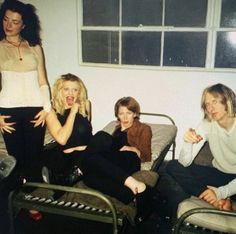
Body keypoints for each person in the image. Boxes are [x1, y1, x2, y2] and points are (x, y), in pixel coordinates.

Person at [42, 78, 153, 206]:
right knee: (90, 178)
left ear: (135, 114)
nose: (125, 117)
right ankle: (130, 196)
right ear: (117, 115)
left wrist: (134, 150)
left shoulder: (143, 128)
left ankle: (72, 175)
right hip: (107, 156)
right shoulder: (116, 128)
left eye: (129, 113)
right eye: (121, 113)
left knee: (101, 138)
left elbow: (146, 155)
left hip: (127, 158)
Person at [0, 0, 51, 183]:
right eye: (5, 19)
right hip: (8, 110)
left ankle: (33, 201)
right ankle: (15, 202)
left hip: (35, 109)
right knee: (15, 160)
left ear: (24, 24)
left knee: (34, 157)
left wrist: (46, 109)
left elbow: (43, 80)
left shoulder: (35, 47)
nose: (9, 25)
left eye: (14, 22)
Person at [165, 83, 236, 215]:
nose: (210, 108)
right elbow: (184, 163)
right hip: (217, 174)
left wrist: (220, 192)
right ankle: (213, 199)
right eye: (207, 104)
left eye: (214, 101)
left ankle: (223, 199)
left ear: (228, 100)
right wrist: (187, 143)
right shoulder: (207, 124)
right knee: (172, 165)